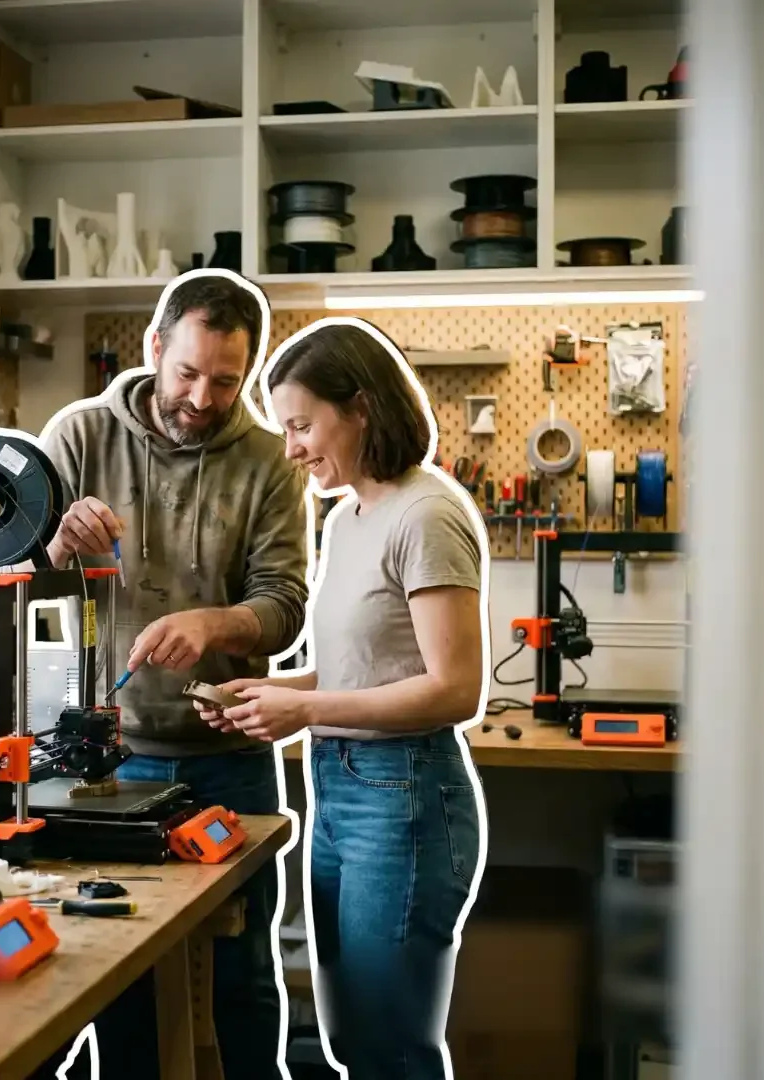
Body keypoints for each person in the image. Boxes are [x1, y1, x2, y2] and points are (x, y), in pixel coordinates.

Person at [196, 320, 487, 1080]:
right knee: (355, 1042)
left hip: (406, 799)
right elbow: (357, 671)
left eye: (301, 425)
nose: (290, 447)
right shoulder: (350, 515)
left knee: (390, 1050)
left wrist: (304, 713)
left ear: (359, 408)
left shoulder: (426, 514)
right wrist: (268, 692)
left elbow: (455, 689)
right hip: (346, 792)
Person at [39, 272, 309, 1080]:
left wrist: (214, 622)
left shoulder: (269, 460)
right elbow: (16, 577)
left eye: (227, 381)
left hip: (227, 757)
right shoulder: (80, 437)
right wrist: (55, 547)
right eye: (188, 372)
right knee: (118, 972)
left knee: (241, 978)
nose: (202, 396)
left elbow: (286, 604)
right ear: (155, 348)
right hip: (109, 764)